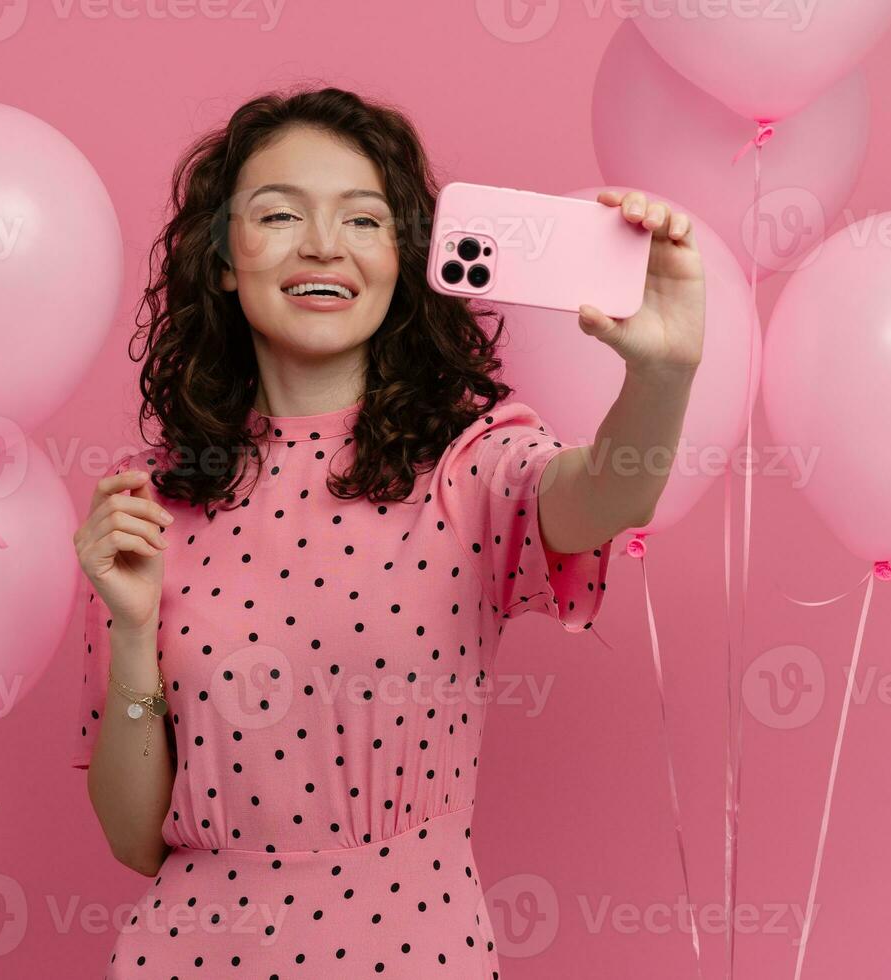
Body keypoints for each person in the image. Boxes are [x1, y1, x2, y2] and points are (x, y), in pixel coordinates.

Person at [70, 85, 703, 977]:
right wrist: (132, 630)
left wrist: (666, 372)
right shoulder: (155, 513)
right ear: (221, 260)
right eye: (280, 213)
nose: (324, 245)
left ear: (404, 261)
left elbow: (611, 494)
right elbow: (136, 841)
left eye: (363, 221)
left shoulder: (471, 467)